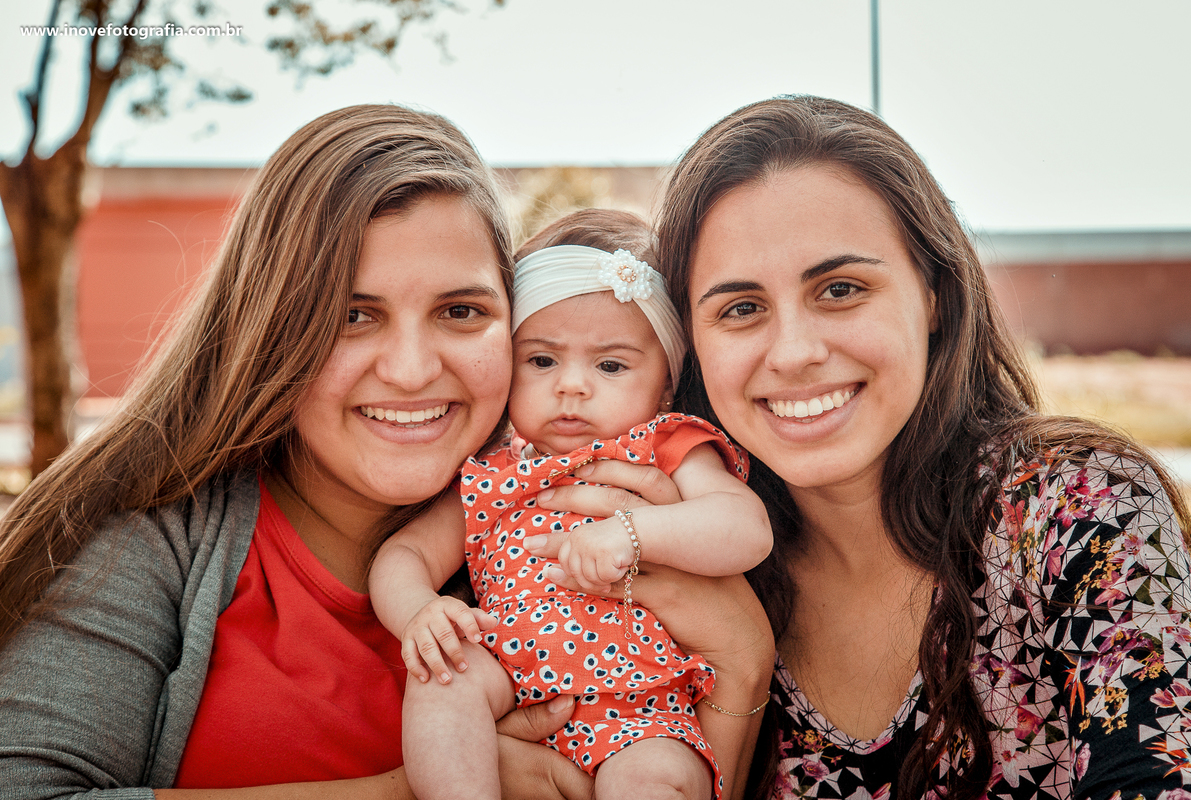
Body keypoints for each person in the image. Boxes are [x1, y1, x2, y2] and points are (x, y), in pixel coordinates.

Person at [0, 105, 773, 800]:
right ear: (273, 329)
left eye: (460, 311)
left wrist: (743, 666)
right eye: (353, 315)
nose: (410, 370)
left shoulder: (603, 511)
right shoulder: (147, 545)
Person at [654, 95, 1191, 800]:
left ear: (934, 293)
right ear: (690, 344)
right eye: (741, 308)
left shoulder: (1081, 512)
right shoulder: (666, 564)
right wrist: (741, 667)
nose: (793, 352)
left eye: (840, 289)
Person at [368, 209, 774, 800]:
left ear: (665, 383)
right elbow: (404, 554)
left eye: (610, 365)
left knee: (652, 780)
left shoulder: (665, 447)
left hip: (640, 707)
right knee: (442, 680)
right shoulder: (494, 473)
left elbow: (745, 527)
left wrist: (632, 533)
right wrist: (418, 613)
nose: (571, 385)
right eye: (542, 360)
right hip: (507, 670)